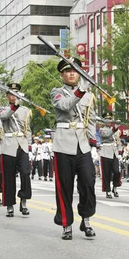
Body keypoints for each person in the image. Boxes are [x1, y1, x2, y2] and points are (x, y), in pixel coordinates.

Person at [51, 57, 97, 240]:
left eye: (75, 71)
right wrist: (80, 91)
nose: (72, 74)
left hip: (83, 143)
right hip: (63, 144)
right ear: (62, 74)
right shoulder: (57, 92)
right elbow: (64, 105)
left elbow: (90, 119)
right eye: (68, 71)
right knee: (64, 186)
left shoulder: (88, 95)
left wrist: (93, 143)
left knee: (88, 182)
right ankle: (66, 224)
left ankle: (86, 219)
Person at [0, 83, 32, 217]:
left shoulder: (26, 110)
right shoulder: (2, 109)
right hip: (9, 145)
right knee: (8, 176)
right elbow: (4, 117)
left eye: (16, 93)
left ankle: (24, 200)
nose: (13, 96)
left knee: (25, 173)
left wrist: (29, 144)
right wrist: (14, 106)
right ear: (7, 96)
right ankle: (9, 204)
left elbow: (27, 129)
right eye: (11, 94)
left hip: (22, 144)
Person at [99, 112, 121, 199]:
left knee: (117, 171)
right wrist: (115, 128)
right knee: (106, 173)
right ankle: (107, 190)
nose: (109, 121)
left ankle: (115, 187)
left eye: (110, 119)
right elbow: (107, 134)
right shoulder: (102, 129)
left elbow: (118, 140)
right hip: (106, 152)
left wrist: (119, 152)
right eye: (107, 119)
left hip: (114, 152)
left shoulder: (115, 129)